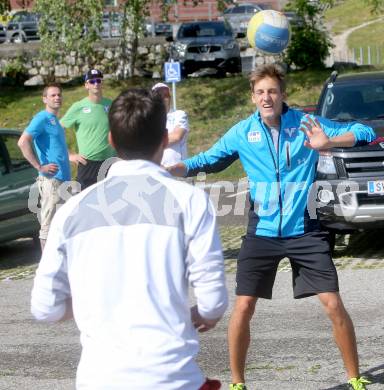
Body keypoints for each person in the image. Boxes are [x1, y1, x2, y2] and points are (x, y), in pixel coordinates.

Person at [167, 64, 376, 390]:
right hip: (262, 232)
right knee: (243, 305)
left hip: (305, 229)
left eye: (273, 91)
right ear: (253, 96)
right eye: (261, 92)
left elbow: (365, 132)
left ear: (283, 95)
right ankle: (237, 383)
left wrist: (329, 141)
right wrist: (175, 168)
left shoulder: (307, 124)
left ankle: (355, 378)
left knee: (333, 303)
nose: (267, 97)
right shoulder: (242, 132)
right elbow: (207, 160)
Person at [31, 88, 228, 390]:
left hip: (99, 379)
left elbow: (45, 307)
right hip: (173, 379)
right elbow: (213, 304)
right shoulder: (190, 201)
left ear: (111, 140)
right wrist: (201, 314)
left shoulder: (72, 210)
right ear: (164, 139)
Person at [18, 83, 71, 251]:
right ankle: (46, 269)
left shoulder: (55, 120)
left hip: (64, 179)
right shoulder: (41, 118)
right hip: (52, 180)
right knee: (48, 226)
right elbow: (22, 141)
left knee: (62, 225)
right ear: (44, 99)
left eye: (59, 95)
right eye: (53, 95)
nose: (57, 98)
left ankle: (60, 264)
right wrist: (39, 166)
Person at [61, 68, 115, 190]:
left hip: (110, 162)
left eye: (98, 80)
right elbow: (58, 130)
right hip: (88, 164)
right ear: (86, 85)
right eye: (92, 81)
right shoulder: (78, 107)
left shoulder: (111, 104)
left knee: (111, 203)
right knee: (86, 205)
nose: (96, 83)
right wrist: (70, 154)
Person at [151, 82, 190, 167]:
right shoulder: (150, 118)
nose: (164, 97)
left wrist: (150, 143)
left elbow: (176, 136)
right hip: (156, 169)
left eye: (166, 94)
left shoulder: (179, 114)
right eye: (159, 95)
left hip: (178, 170)